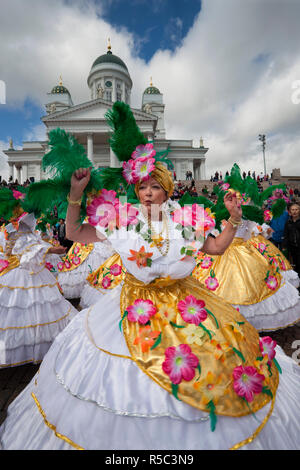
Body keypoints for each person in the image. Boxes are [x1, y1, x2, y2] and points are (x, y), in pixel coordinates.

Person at [1, 104, 300, 450]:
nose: (146, 193)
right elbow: (73, 232)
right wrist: (76, 196)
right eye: (142, 187)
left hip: (186, 301)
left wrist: (233, 219)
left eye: (154, 187)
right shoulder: (122, 219)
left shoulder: (187, 220)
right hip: (131, 304)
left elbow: (216, 248)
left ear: (166, 190)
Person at [0, 188, 78, 368]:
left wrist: (49, 247)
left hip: (20, 272)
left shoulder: (12, 229)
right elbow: (27, 250)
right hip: (21, 273)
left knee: (27, 310)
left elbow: (33, 245)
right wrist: (51, 249)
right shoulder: (12, 230)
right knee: (24, 310)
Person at [283, 202, 300, 277]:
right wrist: (285, 246)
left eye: (296, 209)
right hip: (292, 248)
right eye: (292, 210)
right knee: (295, 264)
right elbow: (286, 235)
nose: (294, 211)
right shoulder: (288, 222)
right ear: (290, 211)